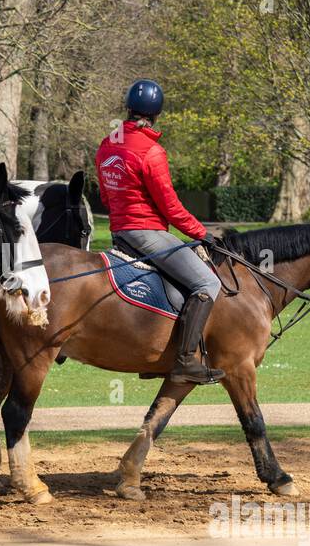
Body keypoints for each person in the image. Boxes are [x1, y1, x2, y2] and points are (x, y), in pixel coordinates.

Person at [96, 79, 224, 384]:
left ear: (128, 108)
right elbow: (170, 207)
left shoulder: (107, 144)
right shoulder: (151, 152)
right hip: (147, 232)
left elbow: (104, 195)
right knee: (207, 282)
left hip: (119, 231)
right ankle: (184, 361)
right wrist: (200, 233)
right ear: (157, 114)